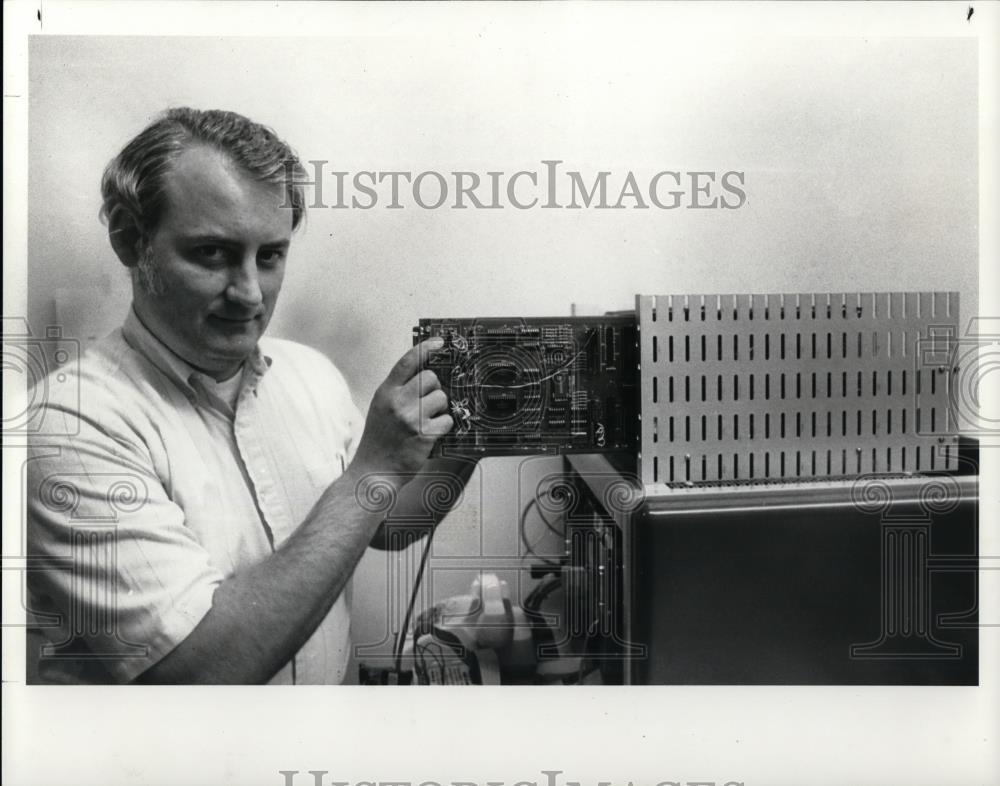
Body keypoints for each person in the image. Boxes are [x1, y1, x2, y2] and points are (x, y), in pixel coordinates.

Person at [25, 107, 469, 684]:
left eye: (270, 255)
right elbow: (201, 670)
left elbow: (381, 527)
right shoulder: (68, 424)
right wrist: (371, 473)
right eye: (212, 253)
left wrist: (470, 438)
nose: (249, 293)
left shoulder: (310, 374)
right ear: (131, 241)